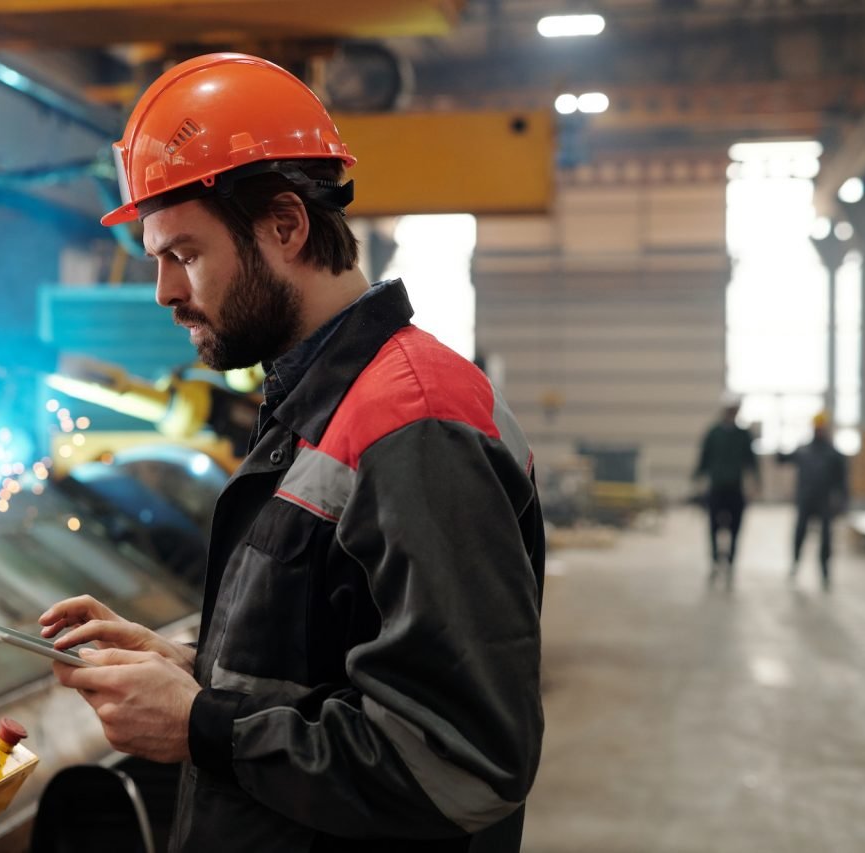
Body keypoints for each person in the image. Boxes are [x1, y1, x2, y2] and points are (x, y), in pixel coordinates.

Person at [38, 53, 545, 853]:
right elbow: (336, 650)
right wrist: (193, 666)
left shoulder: (414, 423)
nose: (166, 292)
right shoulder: (317, 401)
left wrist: (201, 723)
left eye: (185, 254)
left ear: (284, 225)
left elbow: (459, 760)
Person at [694, 393, 757, 587]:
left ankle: (730, 563)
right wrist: (697, 480)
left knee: (735, 529)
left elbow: (751, 461)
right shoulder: (714, 433)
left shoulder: (743, 435)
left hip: (735, 489)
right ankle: (714, 561)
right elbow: (704, 458)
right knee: (713, 527)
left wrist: (755, 483)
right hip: (717, 488)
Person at [779, 412, 848, 590]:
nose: (819, 431)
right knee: (800, 533)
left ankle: (825, 572)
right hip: (806, 500)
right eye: (817, 428)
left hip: (825, 502)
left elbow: (842, 481)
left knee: (826, 539)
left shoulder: (833, 454)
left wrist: (842, 503)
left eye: (821, 428)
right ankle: (795, 564)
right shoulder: (804, 451)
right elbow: (782, 459)